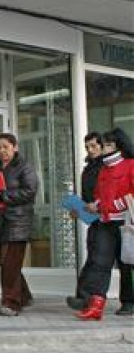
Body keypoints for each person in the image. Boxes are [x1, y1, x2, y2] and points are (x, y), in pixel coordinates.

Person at [0, 132, 38, 317]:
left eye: (6, 147)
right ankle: (24, 296)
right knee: (6, 263)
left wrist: (4, 195)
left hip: (18, 221)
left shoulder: (24, 166)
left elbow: (30, 191)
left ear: (15, 147)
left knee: (10, 263)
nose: (2, 151)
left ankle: (11, 303)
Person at [76, 128, 134, 320]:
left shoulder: (130, 165)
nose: (104, 148)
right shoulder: (103, 169)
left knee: (127, 263)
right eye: (105, 144)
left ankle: (128, 302)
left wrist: (112, 205)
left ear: (118, 145)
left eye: (108, 144)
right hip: (105, 221)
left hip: (125, 223)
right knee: (100, 263)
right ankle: (96, 306)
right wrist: (97, 205)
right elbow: (101, 194)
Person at [66, 132, 105, 310]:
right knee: (94, 259)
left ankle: (128, 301)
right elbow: (86, 196)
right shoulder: (87, 169)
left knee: (123, 261)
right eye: (87, 147)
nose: (90, 150)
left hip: (112, 217)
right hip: (95, 219)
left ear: (103, 146)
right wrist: (79, 210)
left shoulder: (107, 167)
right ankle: (84, 297)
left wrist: (97, 205)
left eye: (93, 146)